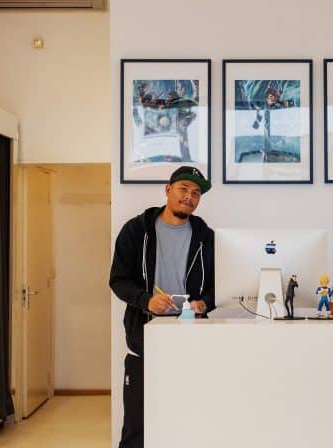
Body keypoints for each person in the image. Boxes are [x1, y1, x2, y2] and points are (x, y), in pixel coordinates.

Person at [109, 166, 214, 448]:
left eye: (196, 193)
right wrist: (146, 300)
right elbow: (118, 280)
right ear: (168, 189)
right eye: (184, 189)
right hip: (145, 337)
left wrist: (204, 301)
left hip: (191, 336)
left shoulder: (206, 237)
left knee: (189, 419)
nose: (189, 196)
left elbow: (221, 284)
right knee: (138, 424)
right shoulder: (136, 230)